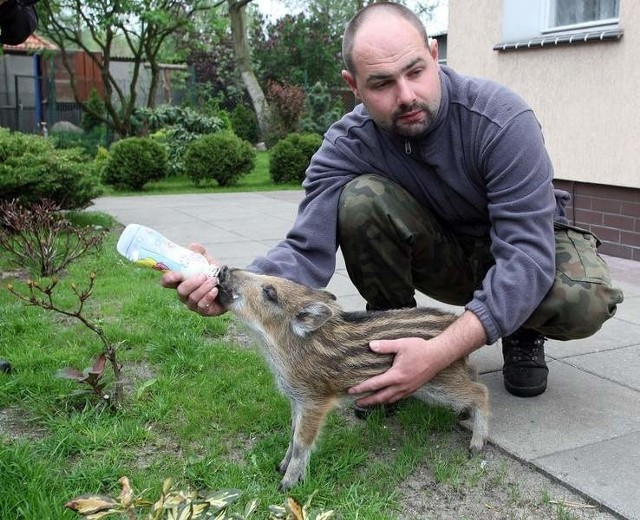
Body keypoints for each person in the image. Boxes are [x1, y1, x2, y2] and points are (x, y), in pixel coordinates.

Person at [162, 2, 623, 407]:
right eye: (381, 83)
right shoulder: (345, 145)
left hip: (523, 246)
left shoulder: (501, 120)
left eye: (416, 71)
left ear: (435, 55)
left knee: (585, 301)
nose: (406, 96)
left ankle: (521, 330)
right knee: (360, 201)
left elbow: (525, 256)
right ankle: (390, 346)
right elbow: (305, 249)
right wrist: (230, 285)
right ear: (353, 85)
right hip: (445, 250)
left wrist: (440, 352)